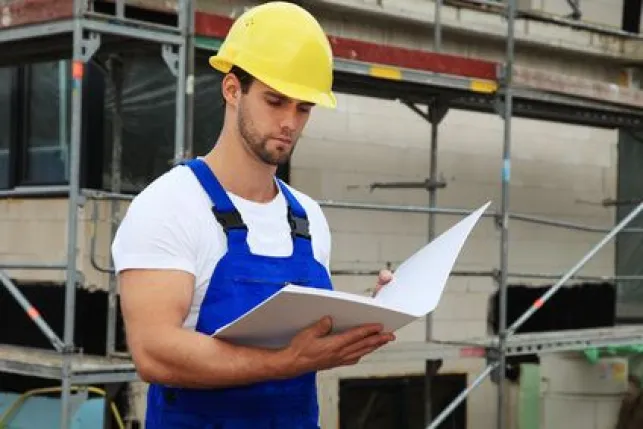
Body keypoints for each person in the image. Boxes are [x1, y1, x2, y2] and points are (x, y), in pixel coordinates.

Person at [111, 2, 396, 428]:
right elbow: (154, 352)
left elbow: (304, 342)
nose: (289, 122)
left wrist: (369, 318)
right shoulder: (169, 205)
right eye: (275, 101)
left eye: (303, 108)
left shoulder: (308, 218)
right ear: (232, 90)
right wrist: (285, 362)